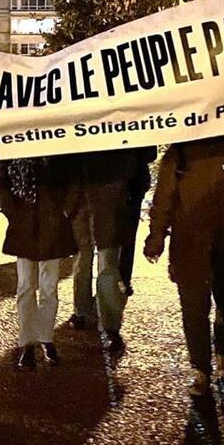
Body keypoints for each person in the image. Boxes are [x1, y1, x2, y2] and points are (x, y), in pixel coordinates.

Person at [144, 135, 224, 395]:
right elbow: (164, 198)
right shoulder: (180, 153)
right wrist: (156, 236)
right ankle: (201, 369)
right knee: (194, 307)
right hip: (190, 244)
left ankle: (222, 352)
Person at [64, 148, 156, 354]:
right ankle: (88, 314)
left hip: (110, 194)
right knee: (90, 260)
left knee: (104, 261)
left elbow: (148, 152)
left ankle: (106, 324)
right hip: (89, 194)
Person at [0, 157, 77, 369]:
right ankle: (27, 342)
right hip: (24, 226)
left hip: (51, 225)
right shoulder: (11, 155)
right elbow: (4, 187)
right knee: (26, 286)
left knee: (48, 288)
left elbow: (72, 177)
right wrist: (14, 215)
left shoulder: (56, 153)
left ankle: (45, 338)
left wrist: (65, 210)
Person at [119, 146, 157, 297]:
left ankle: (121, 278)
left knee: (126, 235)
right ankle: (120, 278)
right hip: (129, 183)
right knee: (126, 236)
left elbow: (150, 153)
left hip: (131, 184)